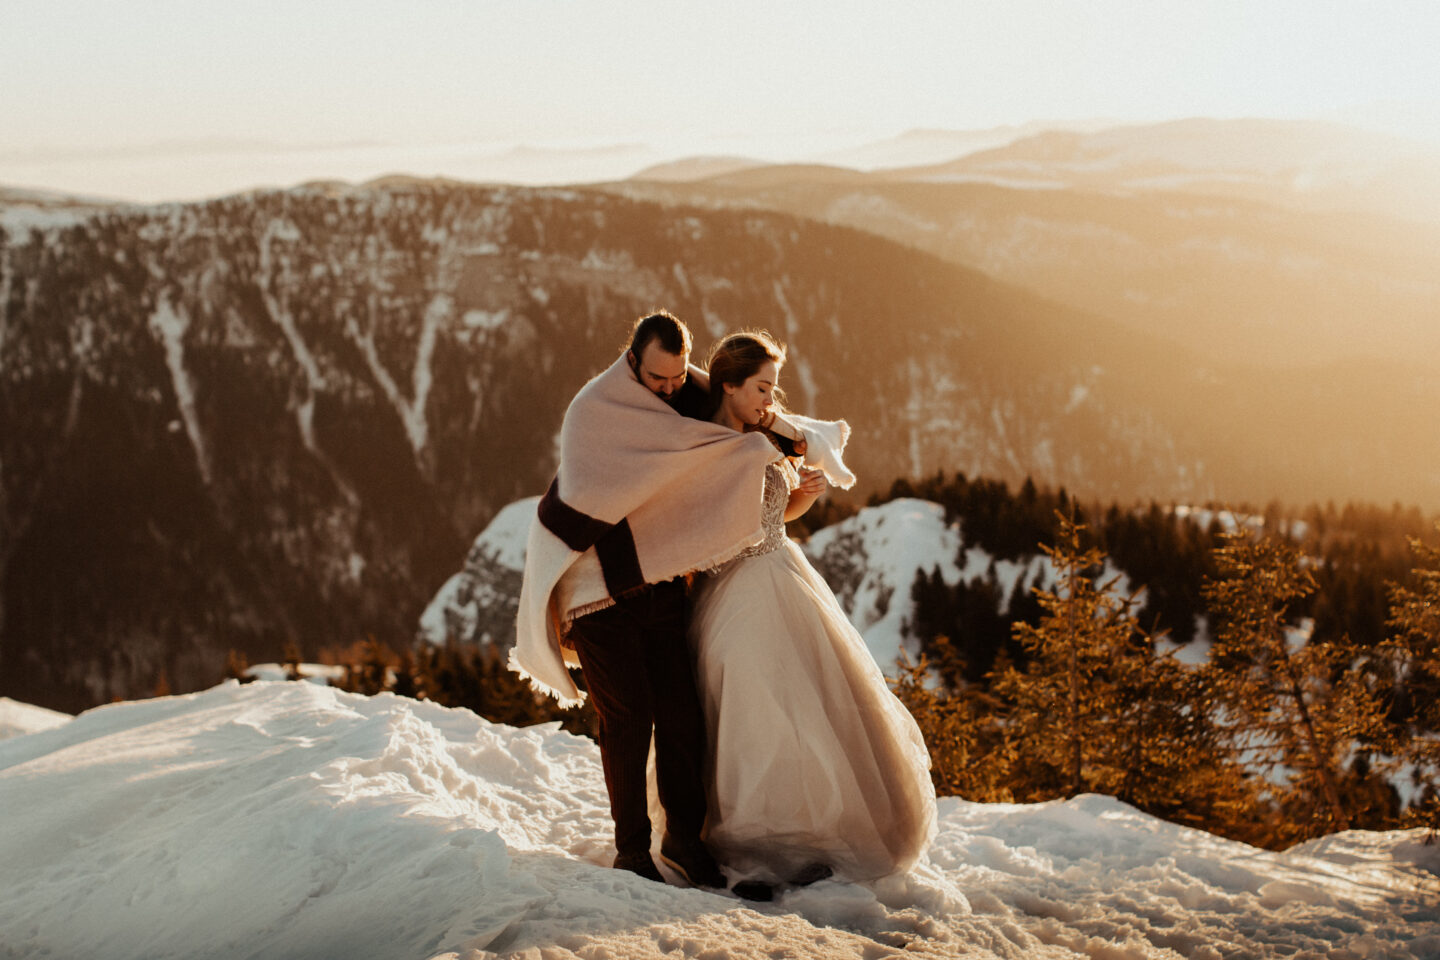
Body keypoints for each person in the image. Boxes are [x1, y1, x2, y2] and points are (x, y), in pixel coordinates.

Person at [512, 312, 784, 889]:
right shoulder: (593, 410)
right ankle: (631, 850)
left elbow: (729, 427)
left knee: (684, 718)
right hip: (594, 587)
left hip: (659, 580)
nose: (669, 387)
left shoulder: (687, 393)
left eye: (678, 376)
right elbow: (594, 492)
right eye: (658, 377)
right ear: (632, 360)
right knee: (628, 718)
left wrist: (787, 443)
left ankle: (685, 842)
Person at [688, 330, 937, 899]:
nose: (771, 400)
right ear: (728, 385)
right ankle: (754, 847)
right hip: (735, 592)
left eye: (774, 387)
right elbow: (709, 533)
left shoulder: (763, 434)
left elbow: (771, 516)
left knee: (808, 707)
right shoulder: (708, 445)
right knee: (756, 715)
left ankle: (815, 840)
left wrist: (803, 496)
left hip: (782, 572)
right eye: (761, 387)